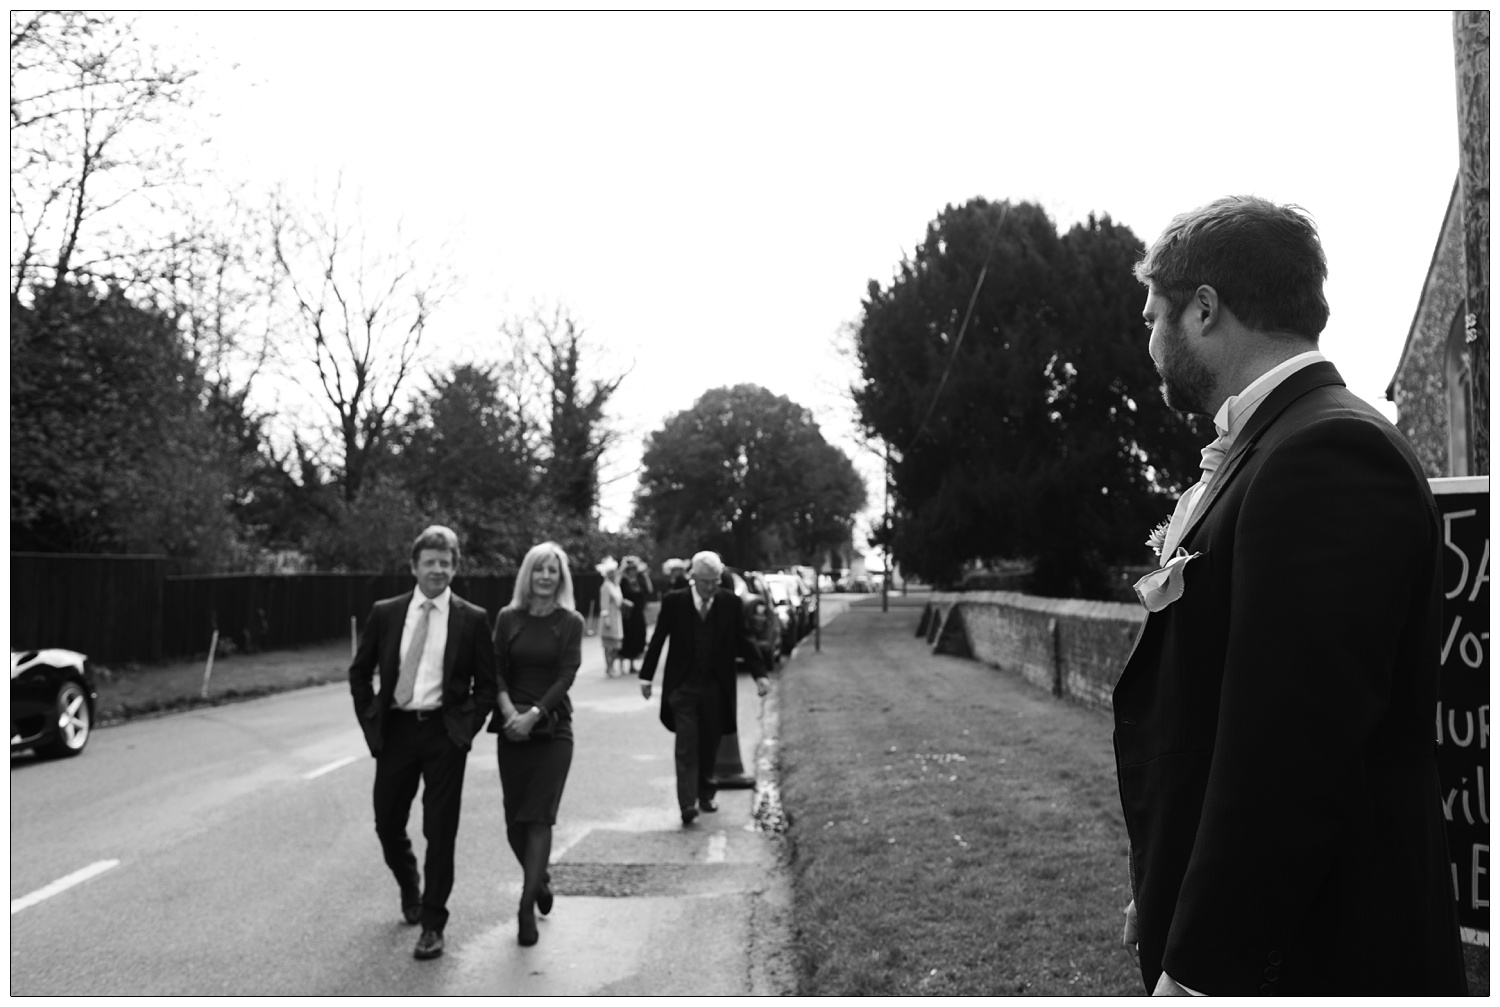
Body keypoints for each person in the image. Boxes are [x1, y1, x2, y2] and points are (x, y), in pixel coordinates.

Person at [1113, 195, 1466, 995]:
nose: (1150, 343)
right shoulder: (1276, 443)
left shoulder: (1327, 452)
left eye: (1152, 317)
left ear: (1205, 309)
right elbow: (1217, 698)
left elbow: (1290, 755)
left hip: (1318, 948)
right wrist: (1164, 876)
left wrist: (1205, 966)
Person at [349, 525, 497, 961]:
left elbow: (486, 686)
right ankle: (410, 886)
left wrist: (464, 730)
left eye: (445, 562)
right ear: (414, 567)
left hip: (443, 735)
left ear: (455, 567)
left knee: (441, 831)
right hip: (395, 732)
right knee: (387, 823)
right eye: (430, 562)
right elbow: (360, 672)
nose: (438, 569)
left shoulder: (472, 618)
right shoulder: (387, 612)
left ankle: (433, 923)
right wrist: (370, 720)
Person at [489, 541, 585, 948]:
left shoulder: (571, 621)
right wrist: (511, 711)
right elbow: (495, 669)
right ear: (528, 574)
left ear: (561, 578)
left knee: (539, 818)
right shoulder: (509, 618)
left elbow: (566, 675)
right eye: (539, 569)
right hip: (511, 730)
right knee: (515, 823)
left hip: (553, 731)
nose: (546, 577)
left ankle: (526, 906)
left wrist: (534, 715)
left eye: (553, 570)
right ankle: (540, 881)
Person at [639, 551, 769, 826]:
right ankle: (687, 803)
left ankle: (706, 791)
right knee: (686, 743)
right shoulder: (675, 602)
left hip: (715, 686)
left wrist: (760, 674)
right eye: (706, 581)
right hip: (683, 688)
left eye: (715, 581)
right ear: (693, 578)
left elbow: (745, 639)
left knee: (710, 741)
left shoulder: (730, 603)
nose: (711, 587)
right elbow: (659, 637)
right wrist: (646, 677)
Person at [618, 556, 652, 675]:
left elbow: (649, 590)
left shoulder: (639, 579)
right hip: (627, 614)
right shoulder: (622, 581)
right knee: (628, 636)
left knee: (640, 634)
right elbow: (619, 596)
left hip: (638, 612)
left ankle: (634, 662)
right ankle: (623, 664)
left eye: (634, 568)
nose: (632, 571)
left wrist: (646, 576)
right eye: (630, 569)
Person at [595, 557, 626, 677]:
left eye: (614, 572)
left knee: (616, 645)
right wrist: (606, 617)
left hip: (617, 617)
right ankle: (608, 668)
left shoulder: (616, 586)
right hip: (609, 618)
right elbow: (604, 603)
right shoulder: (606, 586)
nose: (613, 574)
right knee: (608, 645)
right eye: (611, 572)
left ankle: (612, 666)